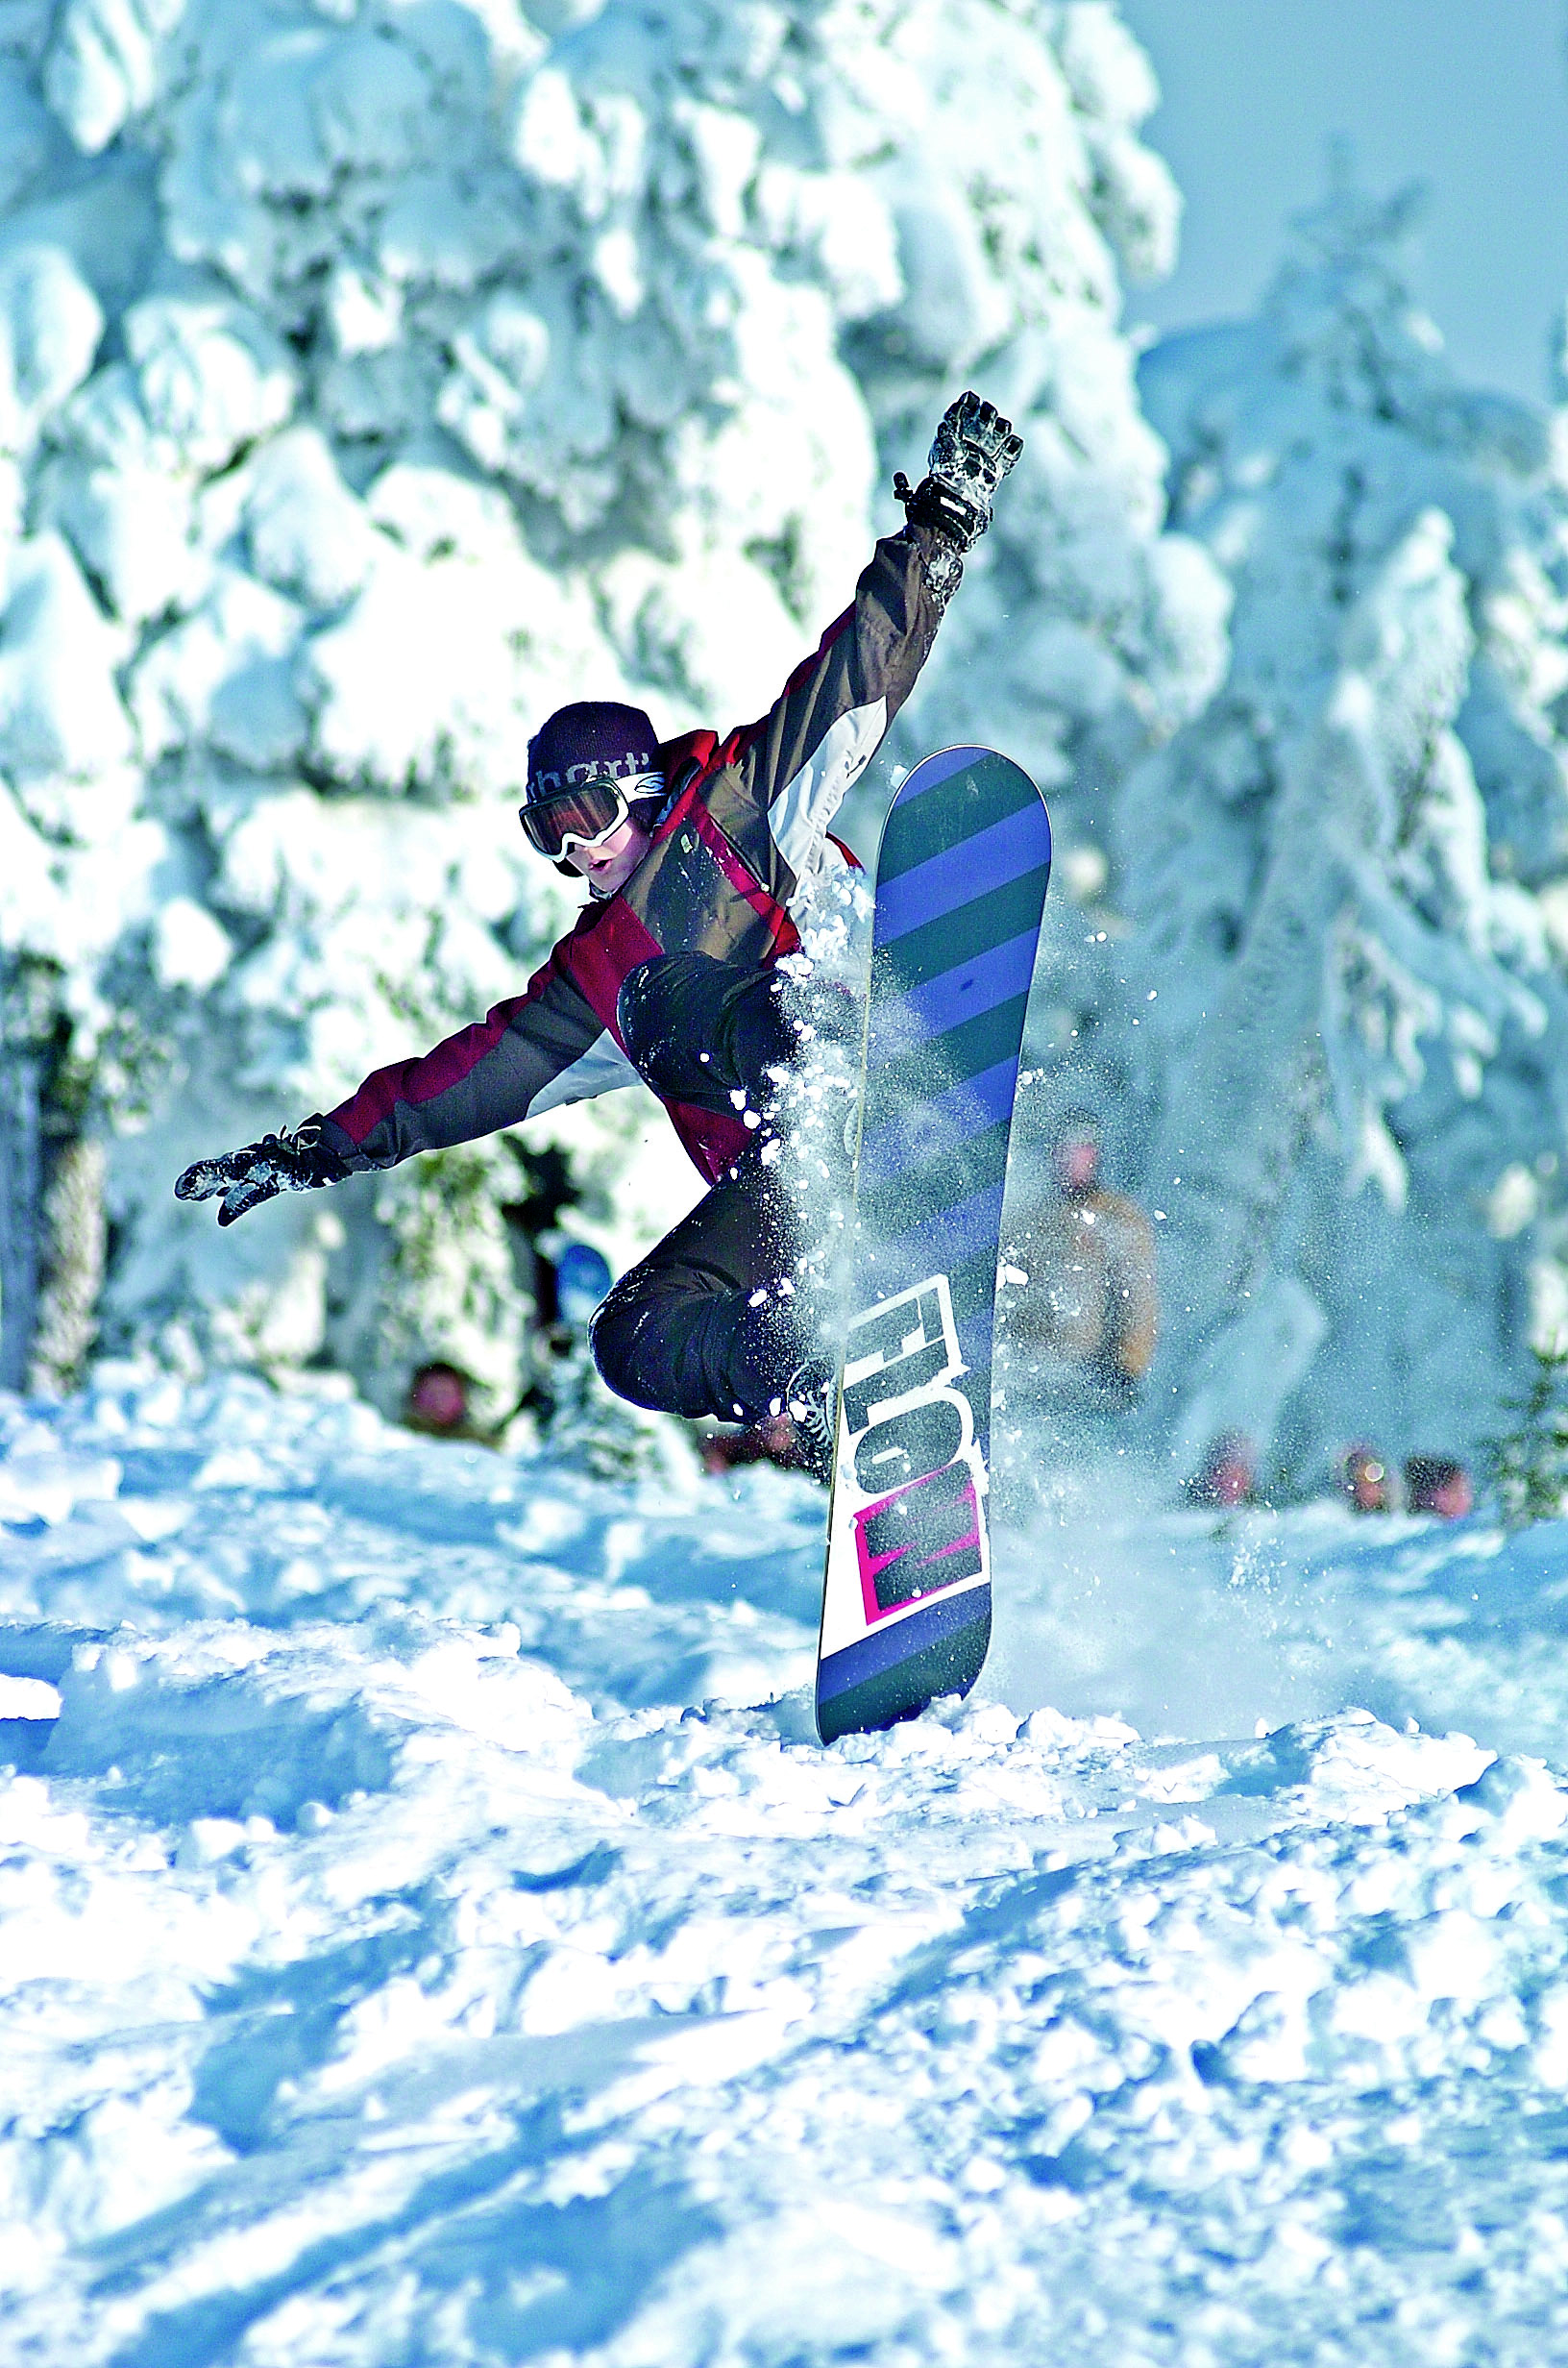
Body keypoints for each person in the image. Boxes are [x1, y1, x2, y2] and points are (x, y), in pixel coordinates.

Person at [175, 394, 1024, 1467]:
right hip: (793, 1191)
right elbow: (458, 1085)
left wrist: (939, 527)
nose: (575, 852)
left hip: (855, 1075)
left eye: (586, 817)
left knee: (665, 997)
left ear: (638, 788)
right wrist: (316, 1148)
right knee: (633, 1337)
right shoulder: (588, 982)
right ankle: (822, 1366)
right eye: (548, 832)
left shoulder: (740, 806)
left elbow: (858, 671)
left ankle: (856, 1119)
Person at [1010, 1115, 1157, 1409]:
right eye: (1065, 1148)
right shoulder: (1036, 1219)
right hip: (1035, 1373)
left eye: (1081, 1148)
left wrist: (1126, 1367)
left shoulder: (1118, 1217)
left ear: (1095, 1155)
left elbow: (1140, 1302)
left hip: (1088, 1375)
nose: (1071, 1157)